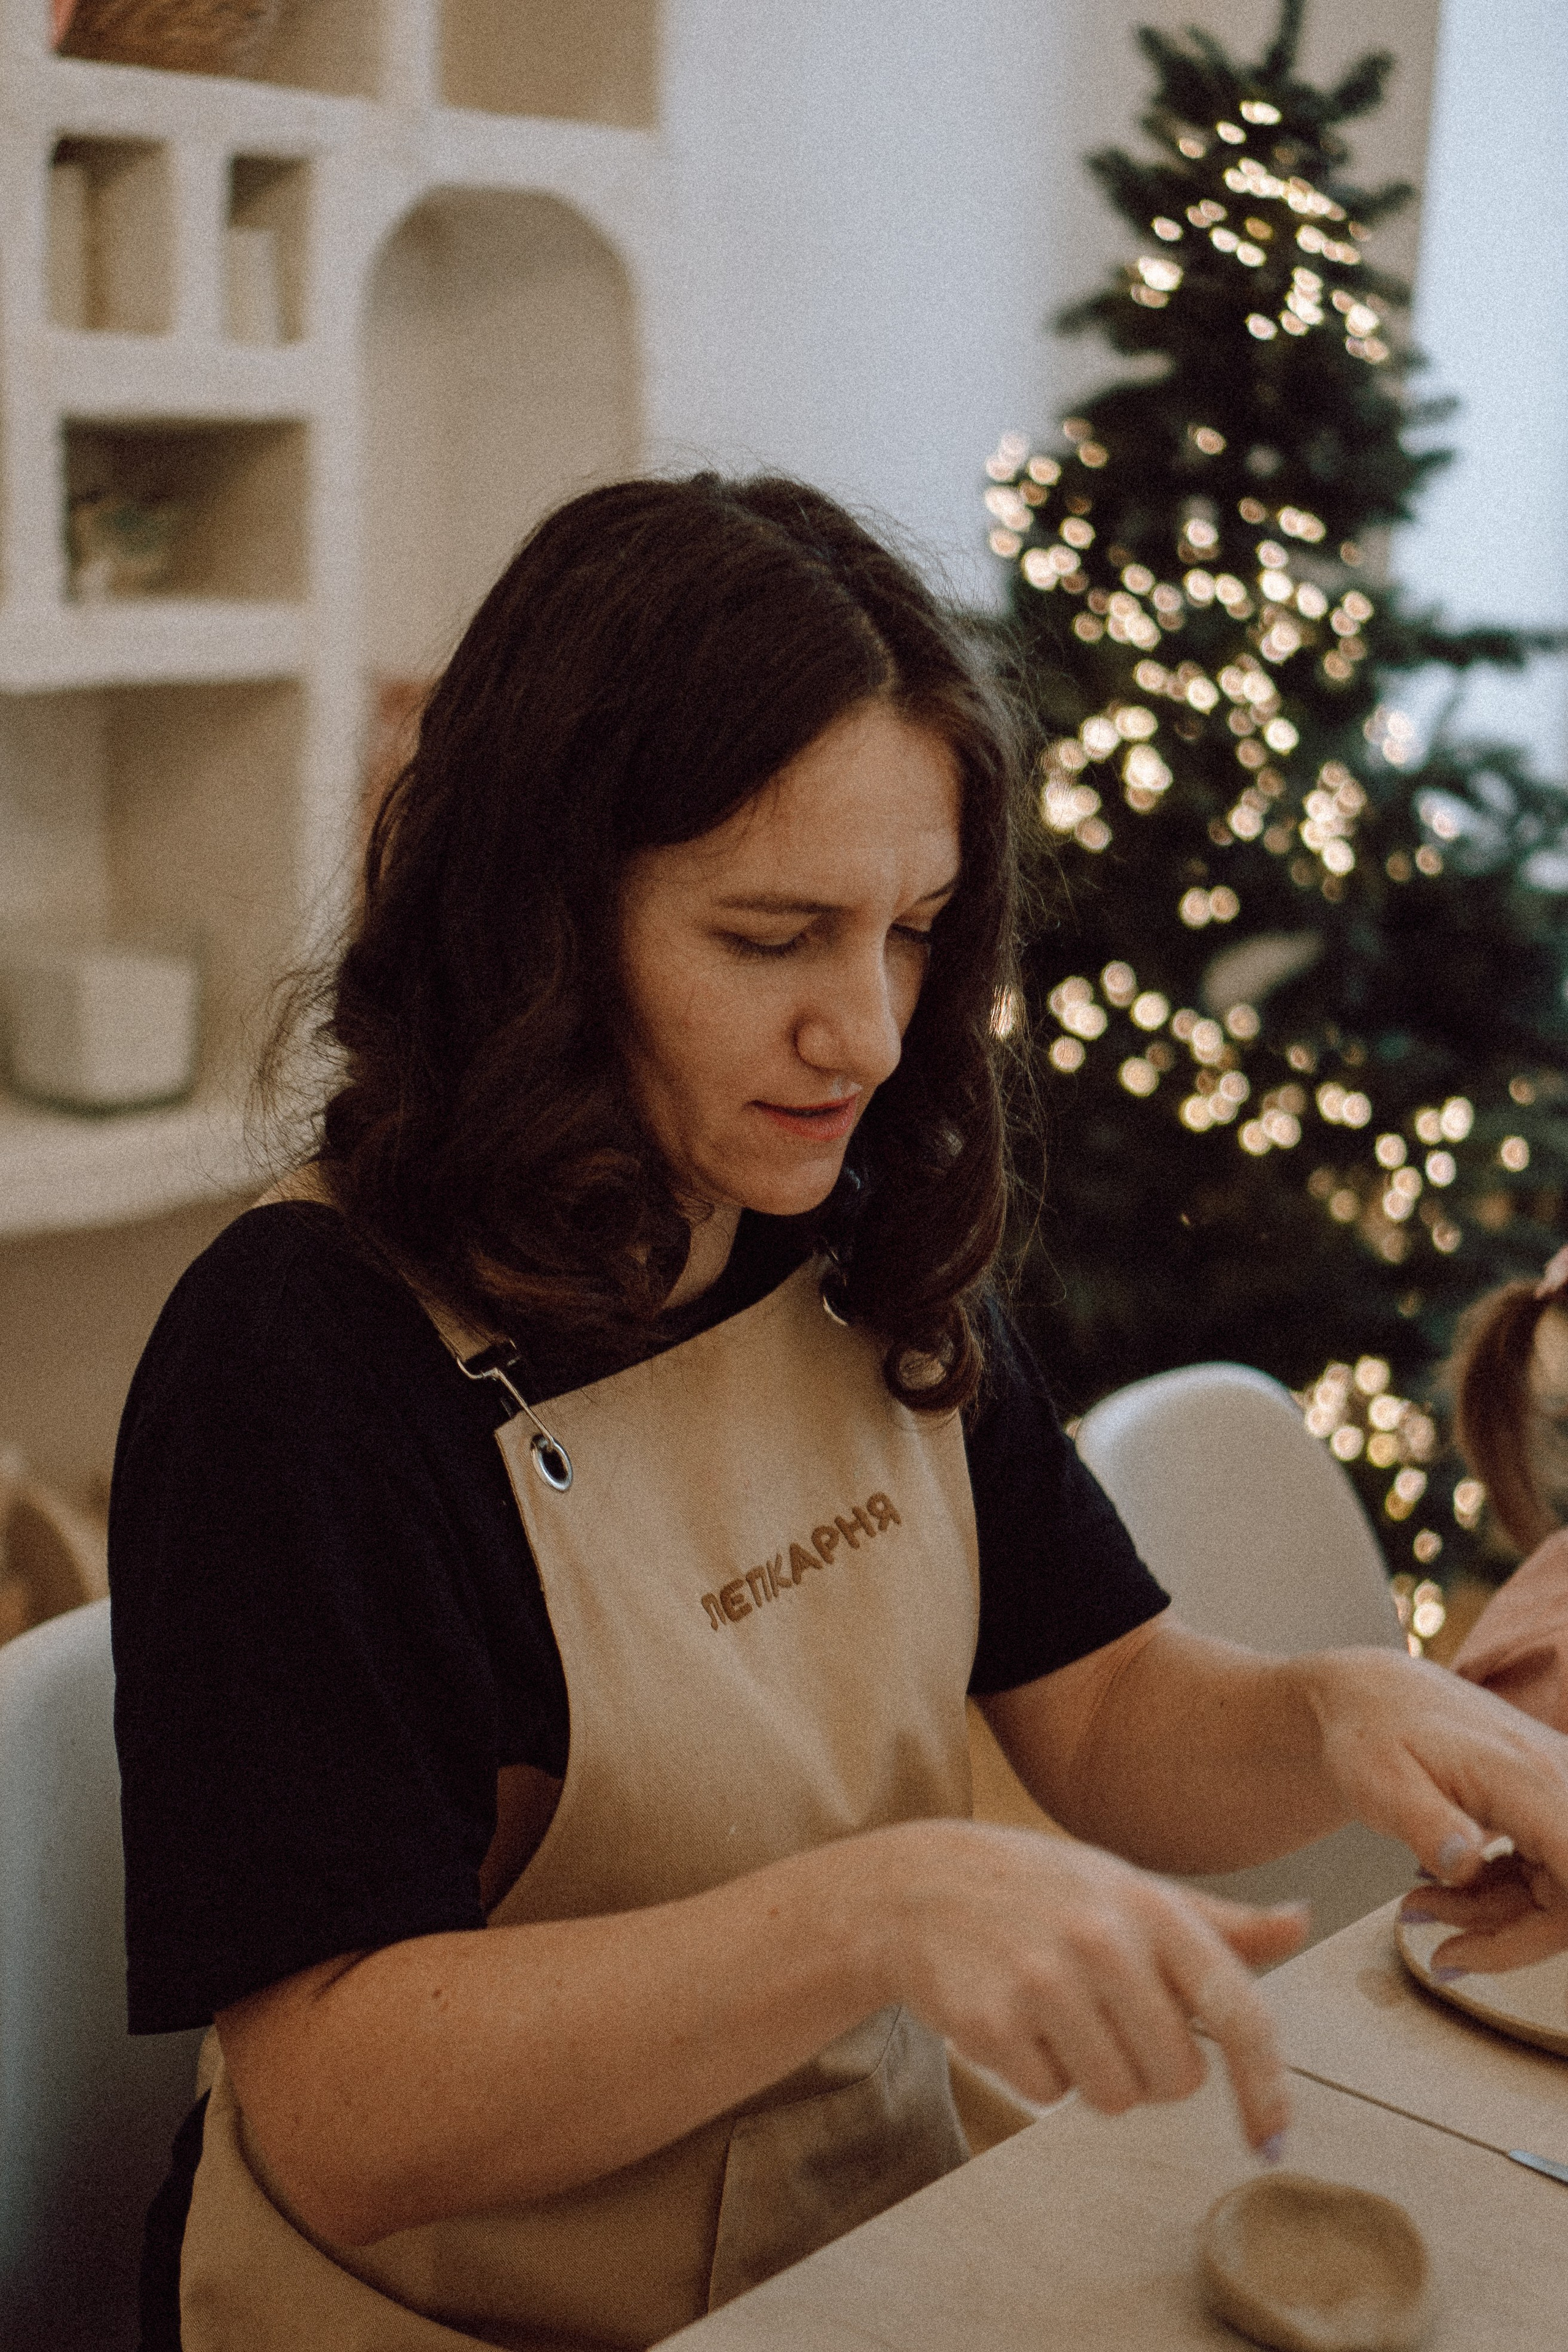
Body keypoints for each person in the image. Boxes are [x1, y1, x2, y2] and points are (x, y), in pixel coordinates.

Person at [110, 474, 1568, 2352]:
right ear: (535, 923)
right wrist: (873, 1914)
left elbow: (1102, 1705)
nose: (868, 1035)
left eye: (914, 931)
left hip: (845, 2238)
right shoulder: (304, 1357)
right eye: (771, 937)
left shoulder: (850, 1222)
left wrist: (1340, 1711)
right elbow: (341, 2113)